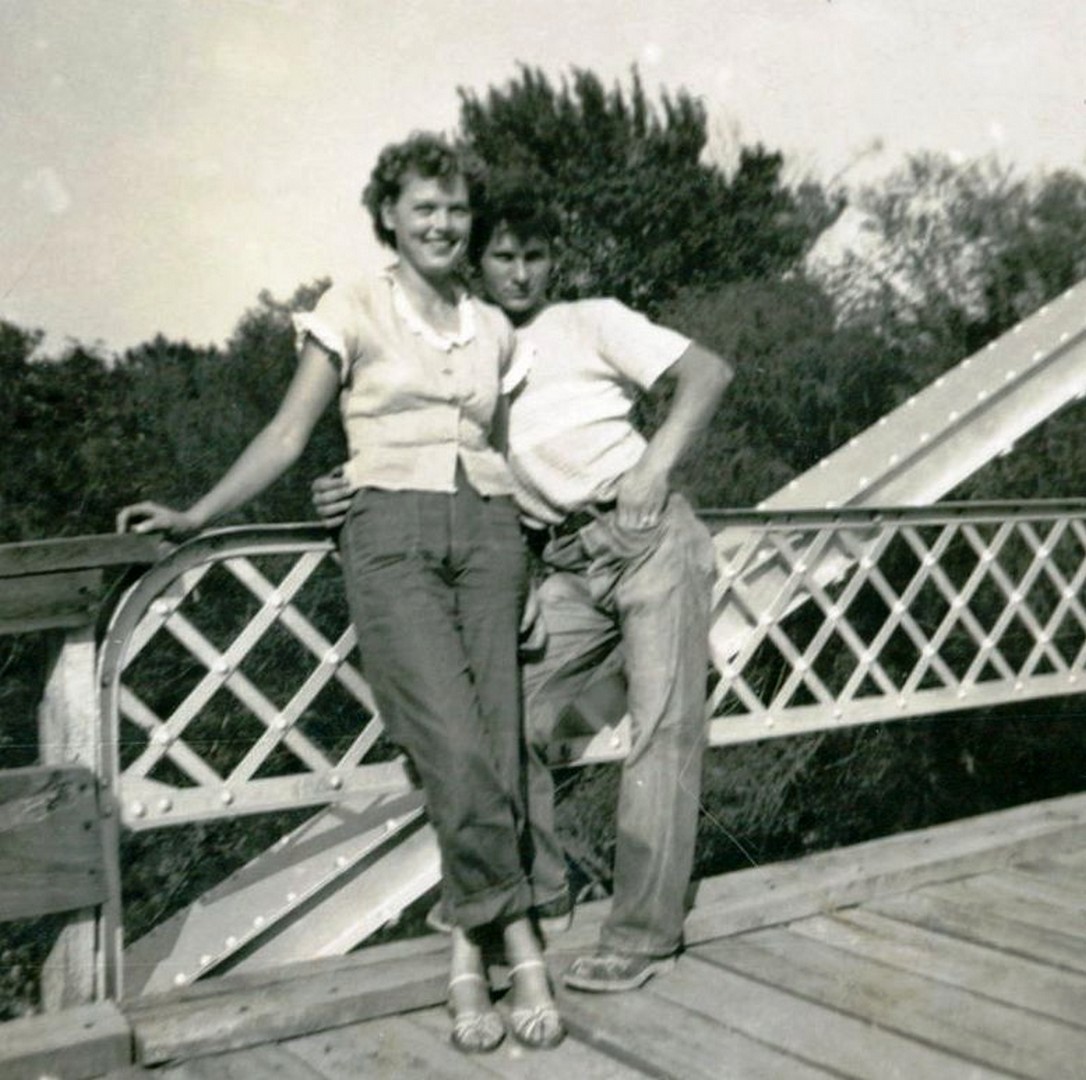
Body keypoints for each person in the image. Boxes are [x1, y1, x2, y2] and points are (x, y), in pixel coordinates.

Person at [117, 135, 564, 1054]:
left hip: (491, 539)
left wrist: (534, 559)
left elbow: (502, 450)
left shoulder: (492, 326)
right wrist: (197, 515)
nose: (443, 224)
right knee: (454, 748)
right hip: (389, 538)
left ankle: (464, 955)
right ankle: (519, 937)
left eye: (457, 209)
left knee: (497, 745)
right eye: (425, 207)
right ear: (389, 216)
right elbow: (290, 434)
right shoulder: (351, 305)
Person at [313, 185, 733, 993]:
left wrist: (655, 467)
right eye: (503, 256)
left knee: (663, 730)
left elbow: (707, 373)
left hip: (648, 538)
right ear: (477, 263)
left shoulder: (592, 320)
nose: (520, 272)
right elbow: (425, 449)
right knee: (511, 717)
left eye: (534, 256)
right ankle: (539, 891)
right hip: (564, 561)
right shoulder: (471, 349)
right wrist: (340, 488)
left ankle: (643, 935)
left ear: (553, 262)